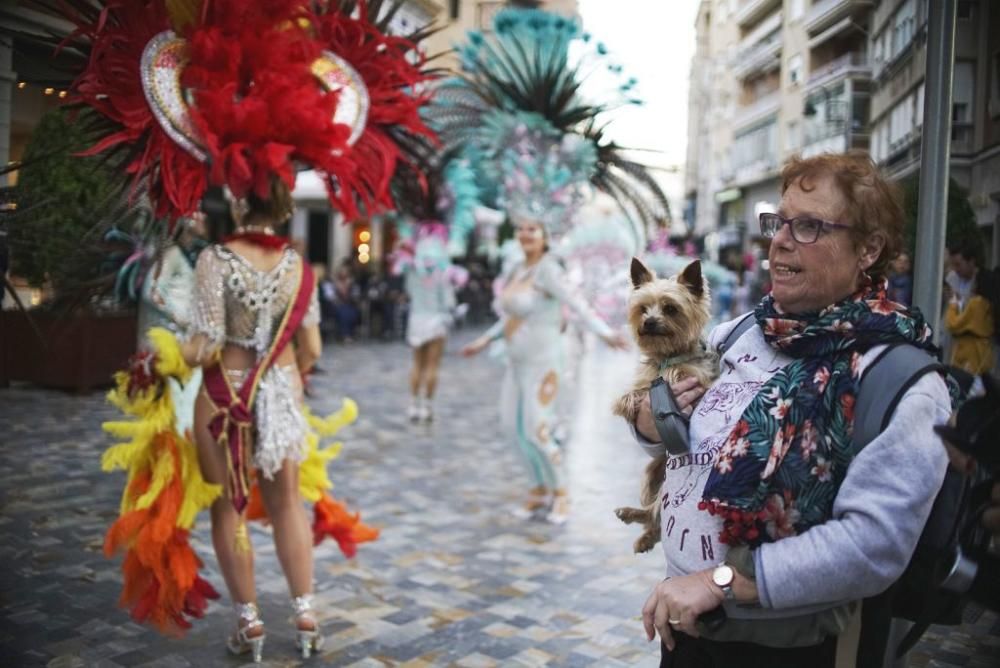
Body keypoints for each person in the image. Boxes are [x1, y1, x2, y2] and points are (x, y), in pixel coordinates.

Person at [631, 152, 951, 666]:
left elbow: (874, 546)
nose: (779, 239)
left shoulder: (900, 380)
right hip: (684, 624)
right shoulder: (737, 335)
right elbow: (671, 432)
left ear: (868, 249)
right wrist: (649, 418)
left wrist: (721, 582)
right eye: (778, 222)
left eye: (808, 226)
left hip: (790, 648)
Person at [179, 179, 328, 659]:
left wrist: (169, 353)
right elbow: (313, 349)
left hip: (226, 394)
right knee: (286, 503)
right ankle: (305, 615)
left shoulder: (214, 259)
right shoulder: (299, 268)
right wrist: (284, 379)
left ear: (238, 201)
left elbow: (206, 346)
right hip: (281, 392)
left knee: (229, 506)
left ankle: (250, 622)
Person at [461, 215, 626, 523]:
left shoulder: (549, 270)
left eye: (533, 229)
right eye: (521, 229)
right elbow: (509, 317)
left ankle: (561, 492)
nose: (525, 234)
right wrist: (484, 340)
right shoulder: (517, 269)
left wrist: (605, 333)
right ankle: (538, 488)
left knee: (537, 431)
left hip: (544, 364)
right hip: (517, 364)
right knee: (512, 429)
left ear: (545, 237)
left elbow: (577, 304)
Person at [399, 223, 463, 423]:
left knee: (417, 364)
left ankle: (413, 404)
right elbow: (449, 301)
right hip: (437, 319)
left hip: (417, 318)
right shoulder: (444, 272)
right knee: (432, 366)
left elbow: (408, 292)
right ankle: (427, 406)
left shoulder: (413, 270)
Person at [944, 267, 995, 376]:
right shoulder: (991, 304)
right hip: (983, 353)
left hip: (969, 354)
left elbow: (953, 324)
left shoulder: (976, 303)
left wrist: (953, 303)